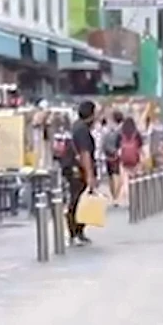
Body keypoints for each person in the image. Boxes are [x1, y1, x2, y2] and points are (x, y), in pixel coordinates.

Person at [63, 100, 98, 246]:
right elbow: (85, 154)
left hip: (73, 168)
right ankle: (74, 232)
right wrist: (90, 175)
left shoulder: (76, 127)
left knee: (80, 200)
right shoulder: (82, 130)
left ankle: (79, 231)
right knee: (77, 200)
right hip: (78, 170)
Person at [102, 111, 124, 202]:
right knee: (117, 175)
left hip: (108, 154)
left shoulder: (107, 129)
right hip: (117, 154)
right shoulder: (121, 130)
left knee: (111, 175)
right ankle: (116, 196)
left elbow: (103, 143)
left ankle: (113, 195)